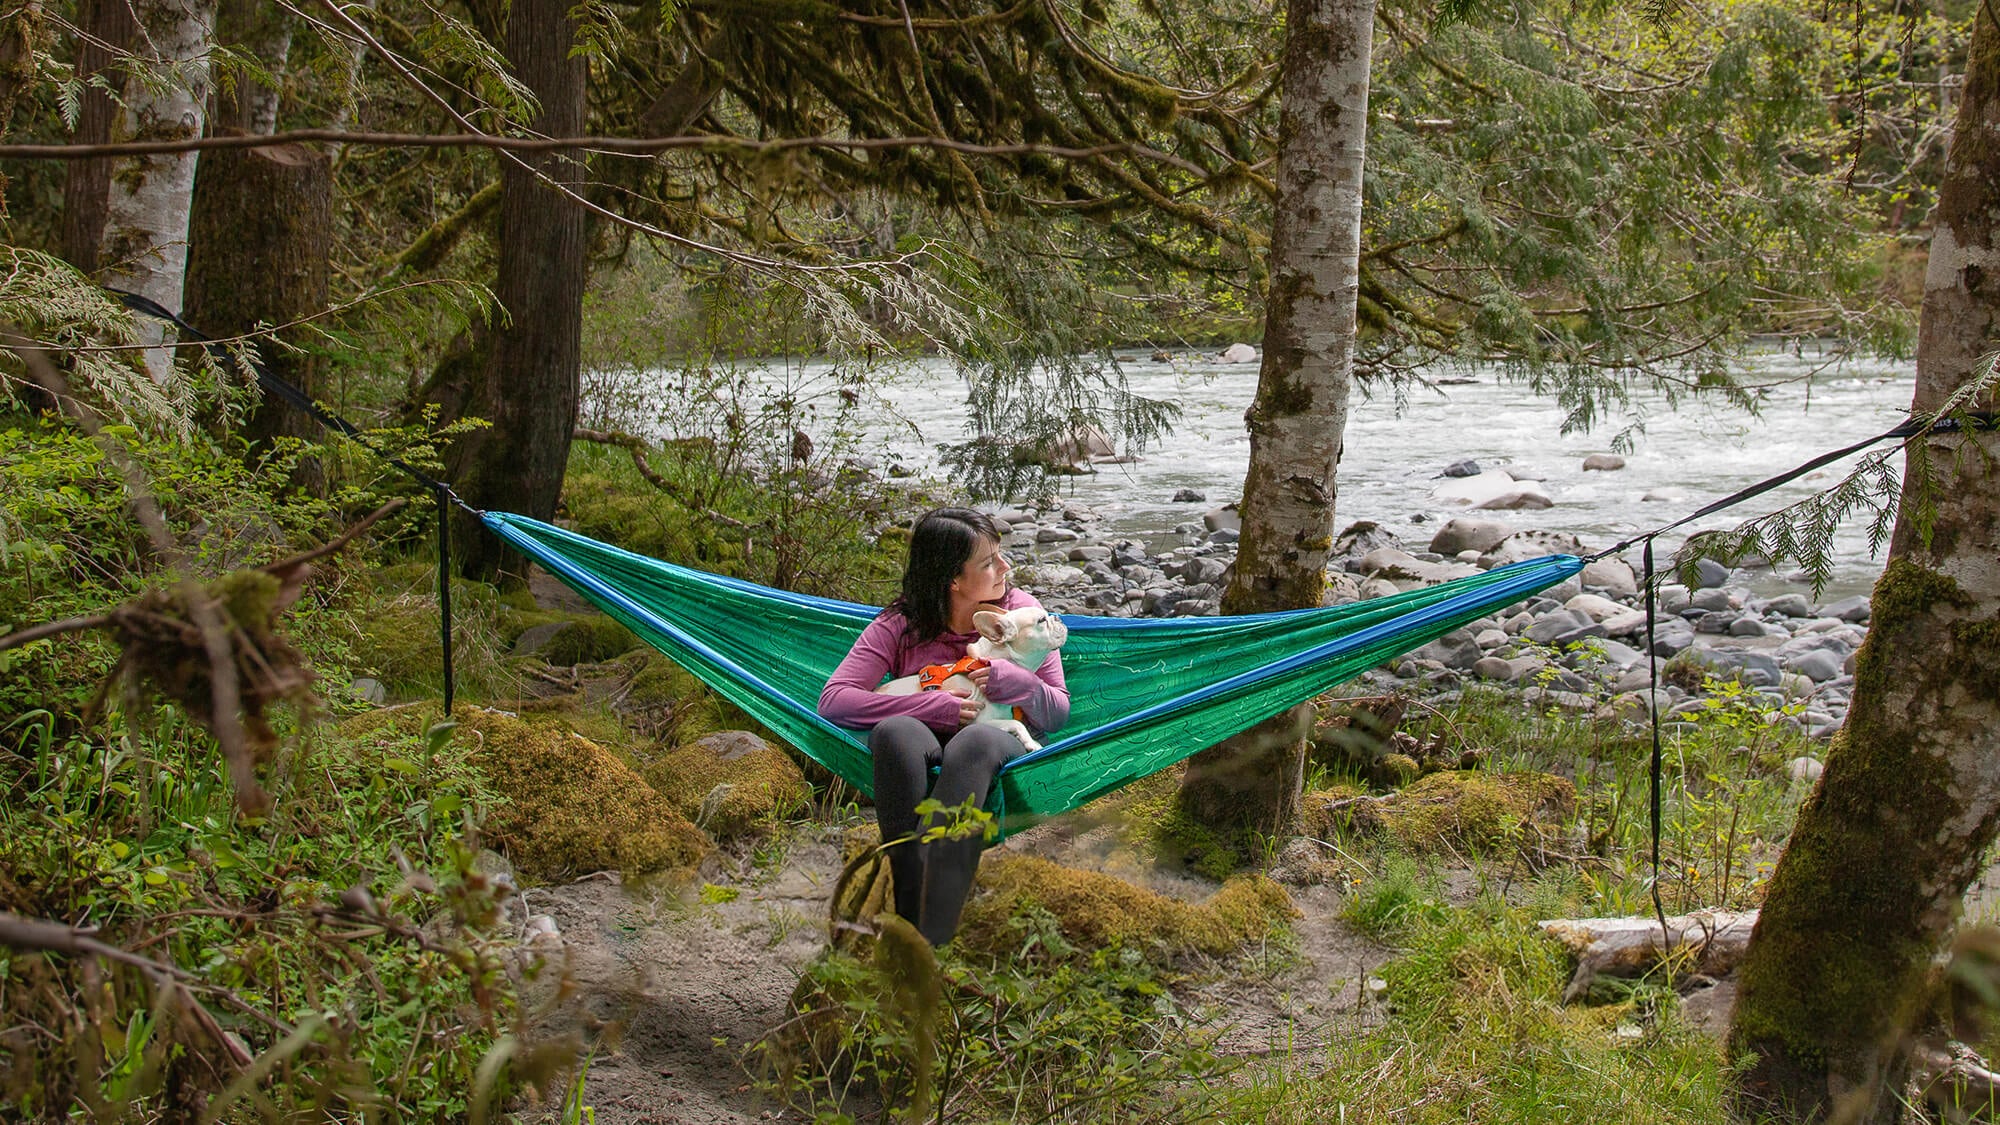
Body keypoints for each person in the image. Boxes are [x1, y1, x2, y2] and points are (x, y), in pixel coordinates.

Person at [817, 508, 1069, 945]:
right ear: (953, 580)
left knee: (973, 742)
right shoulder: (901, 625)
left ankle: (932, 930)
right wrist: (925, 707)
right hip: (924, 740)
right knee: (894, 733)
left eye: (1000, 556)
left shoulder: (1023, 617)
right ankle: (909, 918)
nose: (1005, 568)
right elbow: (834, 701)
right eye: (989, 561)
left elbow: (1057, 713)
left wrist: (1021, 683)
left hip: (998, 741)